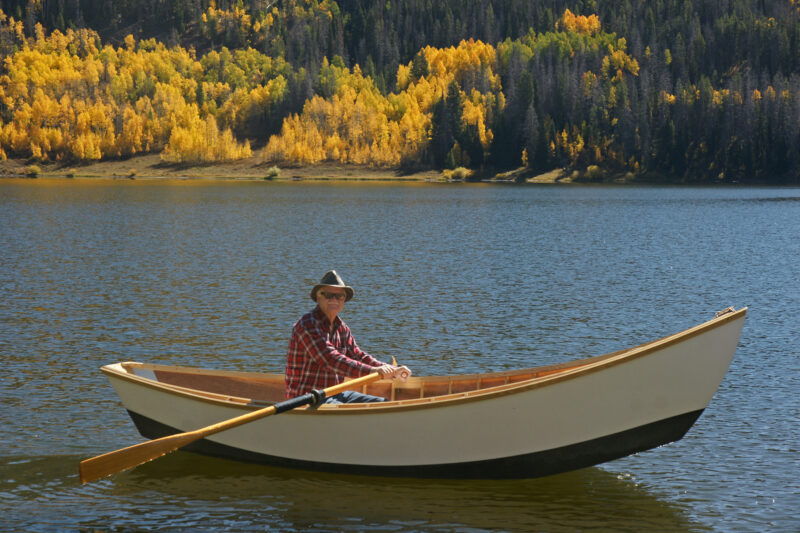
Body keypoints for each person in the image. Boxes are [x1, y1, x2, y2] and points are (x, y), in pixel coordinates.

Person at [285, 270, 411, 404]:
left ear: (344, 300)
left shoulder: (342, 328)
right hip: (306, 398)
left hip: (335, 393)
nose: (334, 299)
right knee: (345, 410)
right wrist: (374, 371)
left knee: (383, 403)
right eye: (328, 295)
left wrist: (389, 369)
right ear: (318, 297)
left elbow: (358, 356)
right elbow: (330, 359)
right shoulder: (307, 324)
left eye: (339, 296)